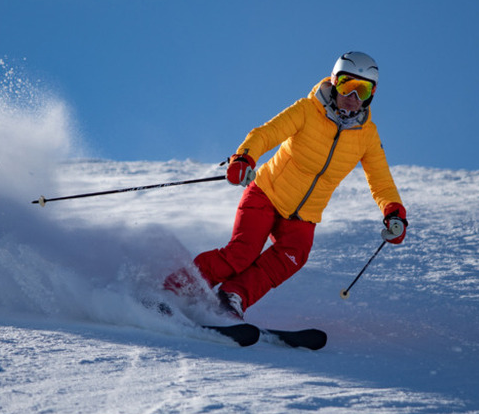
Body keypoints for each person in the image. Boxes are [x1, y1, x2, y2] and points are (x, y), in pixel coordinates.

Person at [164, 51, 408, 319]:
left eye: (363, 90)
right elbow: (266, 133)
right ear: (335, 82)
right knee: (241, 253)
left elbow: (381, 180)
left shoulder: (367, 136)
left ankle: (232, 297)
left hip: (304, 216)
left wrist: (394, 212)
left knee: (293, 256)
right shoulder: (307, 110)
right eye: (347, 86)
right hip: (267, 194)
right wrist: (244, 158)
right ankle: (174, 290)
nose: (353, 97)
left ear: (372, 94)